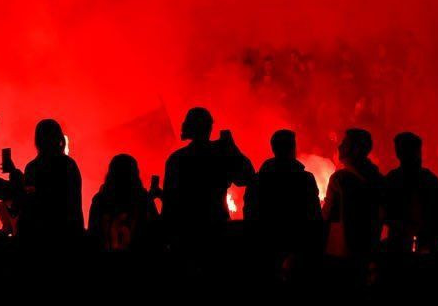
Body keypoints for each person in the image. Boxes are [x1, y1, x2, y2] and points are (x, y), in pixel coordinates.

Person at [162, 107, 254, 243]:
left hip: (186, 233)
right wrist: (232, 149)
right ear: (209, 127)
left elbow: (169, 203)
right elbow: (247, 177)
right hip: (217, 229)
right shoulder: (220, 154)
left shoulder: (176, 158)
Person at [3, 118, 85, 246]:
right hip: (68, 238)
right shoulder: (69, 165)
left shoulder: (33, 168)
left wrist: (15, 176)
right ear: (59, 139)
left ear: (38, 141)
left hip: (38, 240)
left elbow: (30, 200)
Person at [246, 131, 318, 268]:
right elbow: (314, 214)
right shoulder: (305, 179)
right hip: (297, 244)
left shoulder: (259, 179)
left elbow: (250, 210)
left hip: (265, 243)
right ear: (293, 148)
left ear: (273, 148)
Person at [322, 127, 383, 261]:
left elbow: (326, 217)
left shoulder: (340, 179)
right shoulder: (379, 178)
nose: (340, 146)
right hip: (370, 252)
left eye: (345, 143)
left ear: (355, 149)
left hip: (343, 254)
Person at [88, 153, 160, 254]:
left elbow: (93, 234)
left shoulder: (100, 200)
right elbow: (156, 231)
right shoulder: (143, 199)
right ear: (135, 174)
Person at [382, 131, 438, 256]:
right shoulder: (429, 179)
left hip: (399, 245)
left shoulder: (392, 179)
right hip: (423, 244)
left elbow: (384, 213)